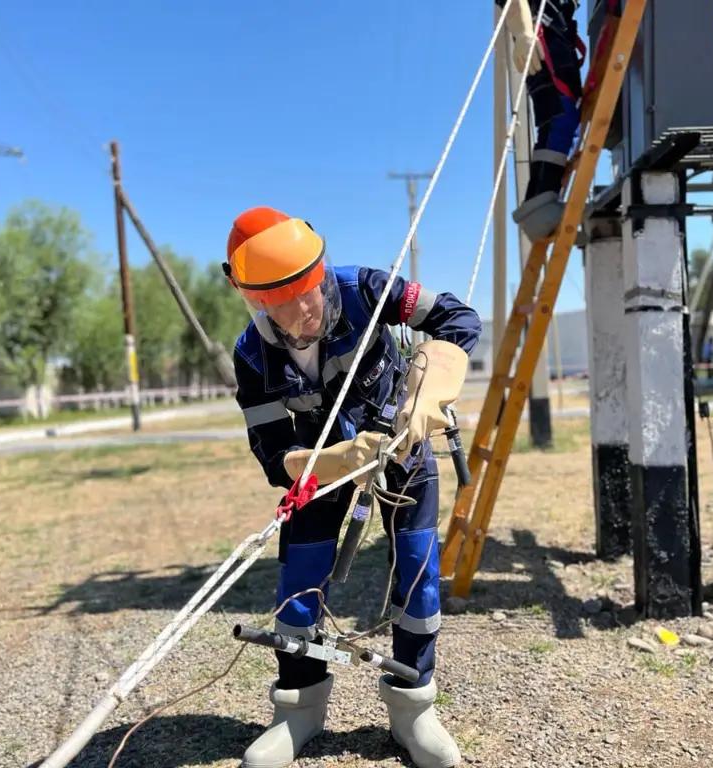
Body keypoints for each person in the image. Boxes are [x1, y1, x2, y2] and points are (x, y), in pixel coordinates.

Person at [224, 206, 481, 768]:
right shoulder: (251, 355)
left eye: (308, 290)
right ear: (252, 297)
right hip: (324, 470)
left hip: (403, 446)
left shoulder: (367, 289)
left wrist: (430, 387)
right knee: (298, 580)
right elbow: (271, 454)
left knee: (417, 573)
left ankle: (414, 709)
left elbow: (458, 321)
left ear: (322, 271)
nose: (302, 311)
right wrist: (334, 460)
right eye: (279, 301)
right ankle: (299, 710)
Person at [498, 0, 585, 239]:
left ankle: (539, 201)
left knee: (560, 121)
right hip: (541, 44)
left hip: (553, 42)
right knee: (560, 118)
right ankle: (540, 205)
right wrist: (524, 33)